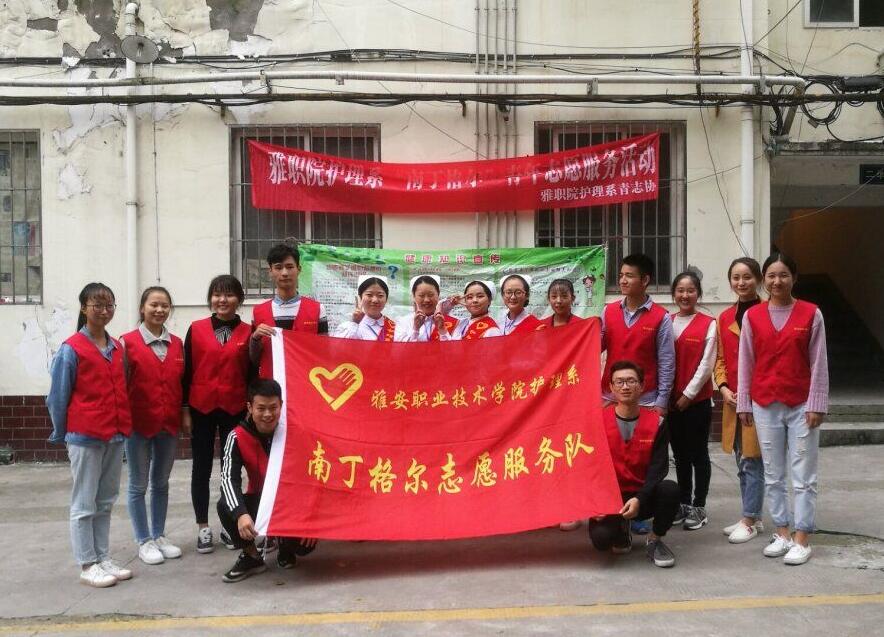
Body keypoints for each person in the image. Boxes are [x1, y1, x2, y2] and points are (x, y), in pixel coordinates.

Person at [737, 253, 828, 566]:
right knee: (773, 474)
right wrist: (744, 403)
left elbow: (819, 362)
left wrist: (817, 403)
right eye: (771, 276)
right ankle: (782, 532)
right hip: (764, 403)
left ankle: (802, 537)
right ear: (764, 279)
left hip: (802, 404)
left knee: (803, 474)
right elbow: (746, 361)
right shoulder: (753, 316)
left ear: (794, 278)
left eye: (783, 275)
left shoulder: (811, 314)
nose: (777, 281)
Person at [46, 283, 134, 588]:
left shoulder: (117, 348)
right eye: (97, 305)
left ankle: (102, 557)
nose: (104, 311)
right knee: (84, 503)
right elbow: (57, 397)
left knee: (105, 500)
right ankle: (87, 564)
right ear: (84, 308)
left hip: (115, 434)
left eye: (109, 305)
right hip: (84, 435)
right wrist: (63, 432)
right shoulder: (71, 349)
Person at [218, 379, 317, 582]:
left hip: (292, 503)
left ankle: (285, 544)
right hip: (261, 500)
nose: (267, 414)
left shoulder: (297, 432)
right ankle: (252, 556)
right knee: (225, 506)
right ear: (249, 407)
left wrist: (312, 517)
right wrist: (240, 514)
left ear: (281, 405)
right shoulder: (236, 437)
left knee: (304, 546)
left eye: (273, 407)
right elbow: (228, 480)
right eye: (261, 408)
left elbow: (316, 475)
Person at [182, 274, 252, 554]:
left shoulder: (249, 332)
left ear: (239, 299)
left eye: (229, 294)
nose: (222, 300)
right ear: (211, 298)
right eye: (217, 294)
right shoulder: (196, 329)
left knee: (230, 469)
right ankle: (203, 526)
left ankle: (229, 523)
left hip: (234, 408)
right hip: (201, 408)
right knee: (200, 468)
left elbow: (251, 374)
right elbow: (186, 372)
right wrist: (185, 410)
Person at [587, 361, 679, 568]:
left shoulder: (657, 422)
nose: (625, 387)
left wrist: (640, 498)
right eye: (619, 382)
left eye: (631, 381)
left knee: (670, 490)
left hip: (643, 496)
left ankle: (655, 540)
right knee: (602, 540)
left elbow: (658, 468)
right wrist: (594, 502)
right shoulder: (597, 421)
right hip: (611, 496)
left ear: (642, 386)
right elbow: (589, 466)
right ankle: (621, 530)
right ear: (611, 387)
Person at [120, 286, 185, 565]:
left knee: (161, 482)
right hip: (138, 424)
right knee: (138, 484)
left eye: (164, 305)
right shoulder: (127, 343)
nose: (159, 310)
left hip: (168, 423)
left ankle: (159, 535)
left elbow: (181, 383)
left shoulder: (177, 344)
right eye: (154, 305)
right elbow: (120, 384)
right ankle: (143, 540)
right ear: (142, 308)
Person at [715, 257, 765, 544]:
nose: (741, 282)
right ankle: (752, 516)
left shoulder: (767, 313)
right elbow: (720, 359)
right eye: (736, 277)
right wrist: (722, 388)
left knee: (751, 460)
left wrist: (753, 392)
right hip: (732, 400)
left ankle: (749, 519)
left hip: (759, 401)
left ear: (758, 279)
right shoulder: (724, 318)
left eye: (747, 277)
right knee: (741, 459)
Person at [667, 272, 717, 531]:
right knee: (680, 455)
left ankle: (699, 506)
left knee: (699, 454)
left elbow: (707, 365)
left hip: (697, 402)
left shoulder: (709, 323)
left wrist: (688, 395)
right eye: (680, 290)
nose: (685, 295)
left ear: (698, 294)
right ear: (673, 294)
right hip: (671, 402)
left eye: (690, 290)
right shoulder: (667, 321)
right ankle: (684, 502)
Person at [600, 253, 675, 415]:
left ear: (645, 280)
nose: (622, 280)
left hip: (645, 400)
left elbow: (666, 362)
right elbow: (593, 347)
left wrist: (662, 401)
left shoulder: (661, 317)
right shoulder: (608, 311)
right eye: (621, 275)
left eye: (629, 276)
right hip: (610, 397)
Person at [538, 278, 584, 531]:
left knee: (570, 453)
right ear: (548, 299)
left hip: (573, 398)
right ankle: (550, 507)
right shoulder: (541, 328)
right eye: (554, 296)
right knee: (547, 453)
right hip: (546, 401)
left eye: (564, 296)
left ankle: (572, 508)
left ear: (573, 298)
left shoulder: (583, 327)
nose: (558, 301)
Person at [251, 244, 328, 378]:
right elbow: (254, 359)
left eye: (290, 267)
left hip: (305, 382)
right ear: (270, 271)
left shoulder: (317, 309)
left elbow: (324, 353)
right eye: (278, 267)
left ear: (299, 269)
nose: (284, 273)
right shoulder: (258, 312)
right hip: (270, 384)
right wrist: (255, 338)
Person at [394, 275, 457, 342]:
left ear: (438, 294)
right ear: (414, 296)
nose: (427, 300)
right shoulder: (403, 322)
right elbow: (399, 348)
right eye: (421, 295)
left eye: (431, 295)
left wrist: (442, 329)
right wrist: (415, 329)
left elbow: (456, 348)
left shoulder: (452, 322)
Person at [333, 275, 396, 341]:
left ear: (386, 299)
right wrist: (355, 323)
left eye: (380, 295)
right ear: (360, 297)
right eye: (369, 295)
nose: (375, 300)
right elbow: (339, 346)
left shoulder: (396, 328)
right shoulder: (347, 326)